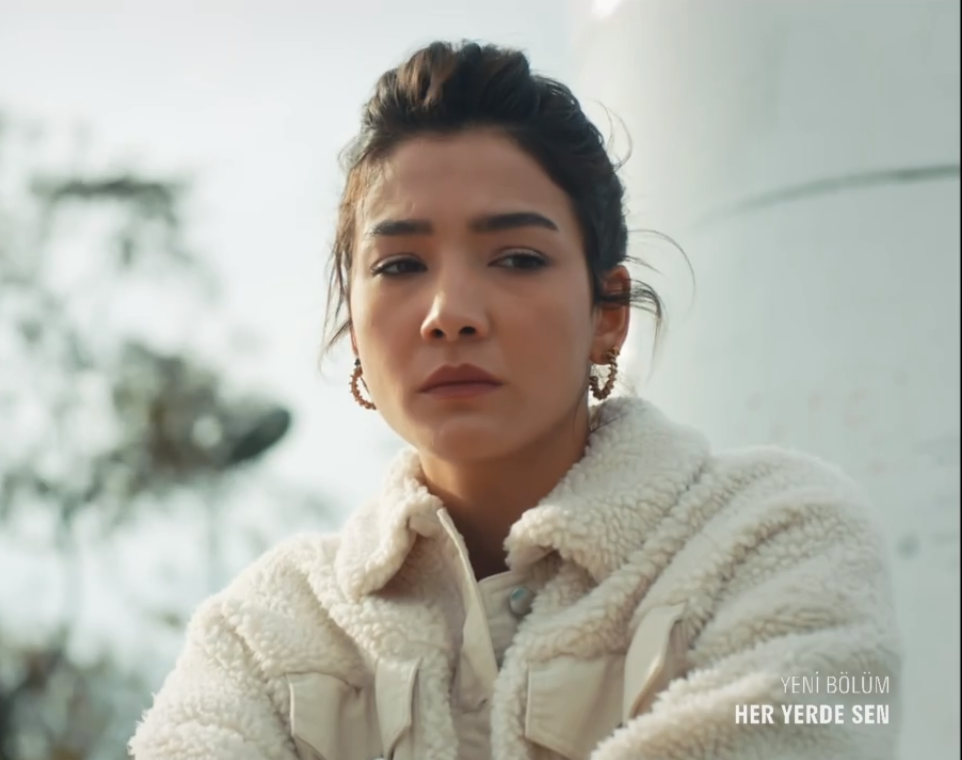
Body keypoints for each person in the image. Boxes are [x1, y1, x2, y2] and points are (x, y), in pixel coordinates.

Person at [129, 40, 901, 760]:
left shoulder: (783, 535)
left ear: (609, 314)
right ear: (354, 329)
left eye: (518, 258)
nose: (449, 313)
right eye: (399, 266)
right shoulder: (263, 631)